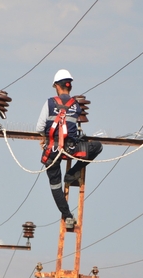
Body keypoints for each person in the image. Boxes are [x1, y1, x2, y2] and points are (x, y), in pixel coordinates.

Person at [36, 69, 103, 228]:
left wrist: (44, 138)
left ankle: (68, 217)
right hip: (72, 149)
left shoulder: (49, 103)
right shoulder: (76, 105)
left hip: (52, 152)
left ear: (56, 86)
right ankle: (72, 173)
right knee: (97, 147)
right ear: (69, 87)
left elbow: (39, 127)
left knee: (55, 184)